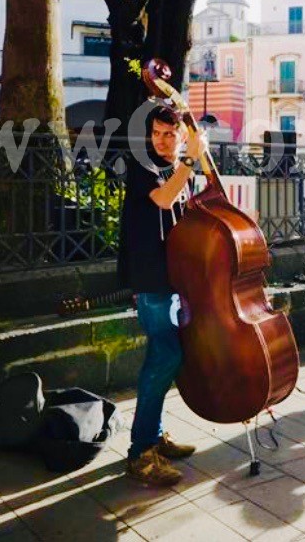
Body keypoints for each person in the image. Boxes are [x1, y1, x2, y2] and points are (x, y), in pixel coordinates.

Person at [118, 107, 204, 487]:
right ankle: (140, 453)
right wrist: (190, 158)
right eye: (157, 133)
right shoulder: (142, 165)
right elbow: (165, 200)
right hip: (150, 279)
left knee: (164, 357)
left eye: (171, 134)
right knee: (165, 355)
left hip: (170, 278)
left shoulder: (174, 167)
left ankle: (154, 437)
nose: (162, 140)